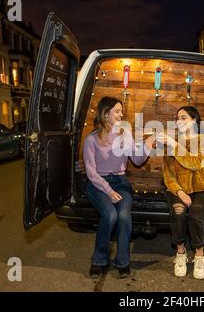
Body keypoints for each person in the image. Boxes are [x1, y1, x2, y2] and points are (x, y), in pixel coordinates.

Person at [83, 96, 155, 278]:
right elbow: (91, 173)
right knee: (110, 214)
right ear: (105, 114)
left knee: (123, 215)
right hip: (98, 184)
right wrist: (109, 190)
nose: (121, 114)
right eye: (117, 111)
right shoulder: (91, 140)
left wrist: (148, 143)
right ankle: (99, 260)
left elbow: (137, 160)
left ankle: (123, 263)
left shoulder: (125, 134)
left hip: (121, 182)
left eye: (121, 111)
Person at [156, 106, 204, 279]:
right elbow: (168, 176)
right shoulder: (169, 144)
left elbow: (196, 163)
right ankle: (180, 253)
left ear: (194, 120)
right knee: (178, 214)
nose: (178, 121)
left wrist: (174, 144)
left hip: (200, 189)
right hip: (178, 191)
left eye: (183, 118)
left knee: (195, 214)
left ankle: (199, 255)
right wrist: (180, 193)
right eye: (177, 118)